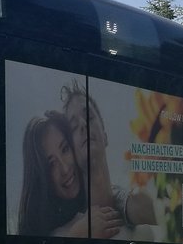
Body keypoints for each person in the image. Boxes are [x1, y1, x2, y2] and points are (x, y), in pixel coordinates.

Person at [61, 81, 155, 232]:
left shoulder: (135, 205)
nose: (83, 124)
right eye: (73, 127)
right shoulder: (68, 230)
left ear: (105, 136)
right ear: (72, 151)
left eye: (89, 117)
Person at [18, 111, 122, 238]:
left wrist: (126, 204)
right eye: (51, 164)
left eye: (65, 149)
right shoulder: (36, 234)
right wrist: (76, 235)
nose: (65, 169)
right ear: (39, 178)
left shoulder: (108, 198)